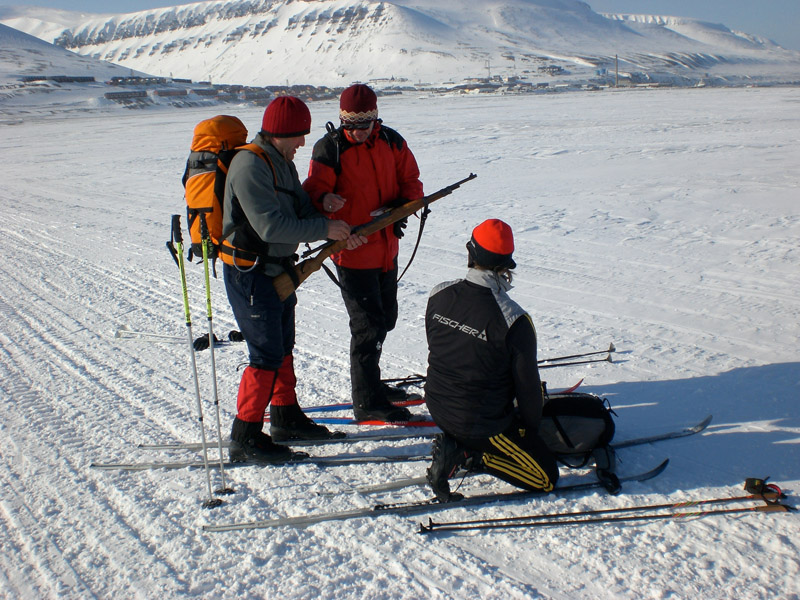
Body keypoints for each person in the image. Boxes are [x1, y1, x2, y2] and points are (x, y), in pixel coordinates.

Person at [221, 96, 364, 462]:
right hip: (250, 273)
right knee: (265, 354)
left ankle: (285, 418)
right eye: (299, 135)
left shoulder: (281, 162)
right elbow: (270, 227)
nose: (303, 143)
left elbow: (299, 207)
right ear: (281, 133)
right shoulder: (250, 165)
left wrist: (326, 207)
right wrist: (325, 228)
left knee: (282, 347)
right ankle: (245, 436)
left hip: (276, 271)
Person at [303, 84, 424, 422]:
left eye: (363, 125)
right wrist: (328, 205)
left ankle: (374, 385)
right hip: (352, 254)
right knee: (367, 327)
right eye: (349, 126)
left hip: (386, 248)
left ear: (375, 119)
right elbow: (313, 192)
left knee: (385, 320)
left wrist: (400, 209)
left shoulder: (392, 142)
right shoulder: (330, 148)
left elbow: (412, 183)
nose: (356, 132)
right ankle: (367, 401)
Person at [423, 219, 560, 501]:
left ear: (471, 254)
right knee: (545, 477)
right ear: (507, 265)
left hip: (437, 405)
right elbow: (529, 391)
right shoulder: (514, 320)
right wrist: (529, 434)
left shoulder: (439, 294)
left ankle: (460, 442)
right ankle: (469, 455)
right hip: (481, 424)